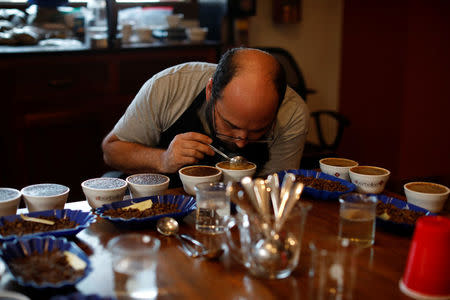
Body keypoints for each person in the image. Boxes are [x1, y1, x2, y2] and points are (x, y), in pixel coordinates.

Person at [102, 47, 310, 186]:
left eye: (258, 130)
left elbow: (275, 188)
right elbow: (112, 151)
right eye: (229, 124)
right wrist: (163, 159)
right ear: (210, 90)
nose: (240, 143)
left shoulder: (293, 114)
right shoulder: (168, 87)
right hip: (164, 202)